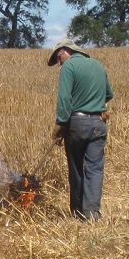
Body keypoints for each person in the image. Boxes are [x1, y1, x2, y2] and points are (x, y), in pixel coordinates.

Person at [47, 39, 114, 220]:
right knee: (95, 168)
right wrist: (94, 101)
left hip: (77, 123)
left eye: (59, 57)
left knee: (76, 168)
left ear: (67, 51)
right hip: (99, 124)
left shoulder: (69, 67)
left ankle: (77, 213)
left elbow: (64, 99)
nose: (59, 63)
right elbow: (109, 94)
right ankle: (92, 213)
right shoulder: (97, 65)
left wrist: (61, 124)